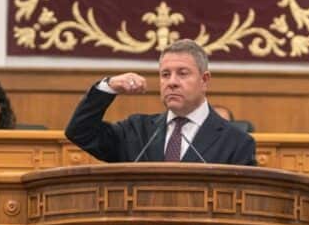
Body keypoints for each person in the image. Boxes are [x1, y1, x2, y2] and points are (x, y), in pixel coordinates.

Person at [65, 39, 256, 165]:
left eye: (182, 73)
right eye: (165, 74)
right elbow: (80, 132)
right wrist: (109, 86)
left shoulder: (236, 141)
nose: (172, 82)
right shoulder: (137, 131)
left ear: (204, 80)